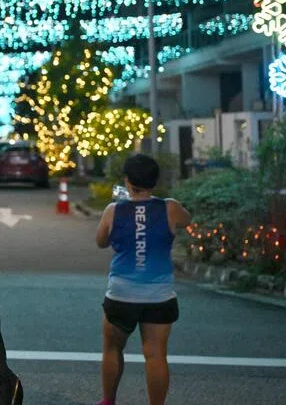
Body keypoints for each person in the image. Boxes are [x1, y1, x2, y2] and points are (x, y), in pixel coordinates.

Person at [94, 153, 192, 405]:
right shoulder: (170, 208)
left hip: (121, 294)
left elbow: (101, 241)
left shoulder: (113, 210)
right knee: (156, 354)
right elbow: (187, 219)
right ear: (155, 180)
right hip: (159, 296)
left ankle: (109, 401)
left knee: (113, 349)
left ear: (127, 180)